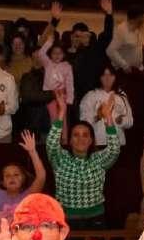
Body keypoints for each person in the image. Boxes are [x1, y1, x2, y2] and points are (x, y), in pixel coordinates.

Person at [45, 89, 122, 229]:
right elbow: (51, 143)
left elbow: (114, 149)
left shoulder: (98, 159)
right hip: (66, 219)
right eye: (76, 135)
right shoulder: (61, 158)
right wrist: (62, 111)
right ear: (70, 140)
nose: (81, 139)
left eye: (85, 135)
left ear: (91, 140)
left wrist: (108, 118)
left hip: (96, 219)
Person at [78, 64, 133, 149]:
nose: (107, 78)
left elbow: (130, 122)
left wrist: (121, 120)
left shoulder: (121, 96)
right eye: (104, 75)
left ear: (115, 77)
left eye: (111, 75)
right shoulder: (90, 96)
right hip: (98, 144)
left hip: (118, 144)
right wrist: (98, 116)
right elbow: (83, 122)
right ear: (99, 77)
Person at [108, 4, 144, 74]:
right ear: (136, 18)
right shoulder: (121, 30)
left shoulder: (137, 29)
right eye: (142, 17)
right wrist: (124, 66)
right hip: (124, 72)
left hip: (137, 70)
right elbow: (110, 51)